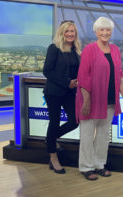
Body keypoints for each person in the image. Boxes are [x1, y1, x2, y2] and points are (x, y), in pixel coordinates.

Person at [76, 17, 123, 181]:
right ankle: (86, 167)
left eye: (108, 30)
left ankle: (99, 165)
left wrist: (122, 84)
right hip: (91, 99)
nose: (105, 32)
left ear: (111, 32)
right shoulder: (89, 50)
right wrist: (86, 99)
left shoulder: (115, 49)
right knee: (87, 134)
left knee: (104, 135)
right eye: (102, 30)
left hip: (110, 99)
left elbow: (118, 71)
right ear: (96, 32)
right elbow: (83, 76)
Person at [43, 20, 81, 174]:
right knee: (55, 121)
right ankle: (53, 157)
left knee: (74, 121)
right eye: (67, 31)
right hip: (54, 92)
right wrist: (67, 82)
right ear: (62, 33)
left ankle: (50, 140)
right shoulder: (54, 48)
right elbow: (47, 71)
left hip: (69, 92)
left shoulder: (76, 49)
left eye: (72, 31)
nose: (70, 34)